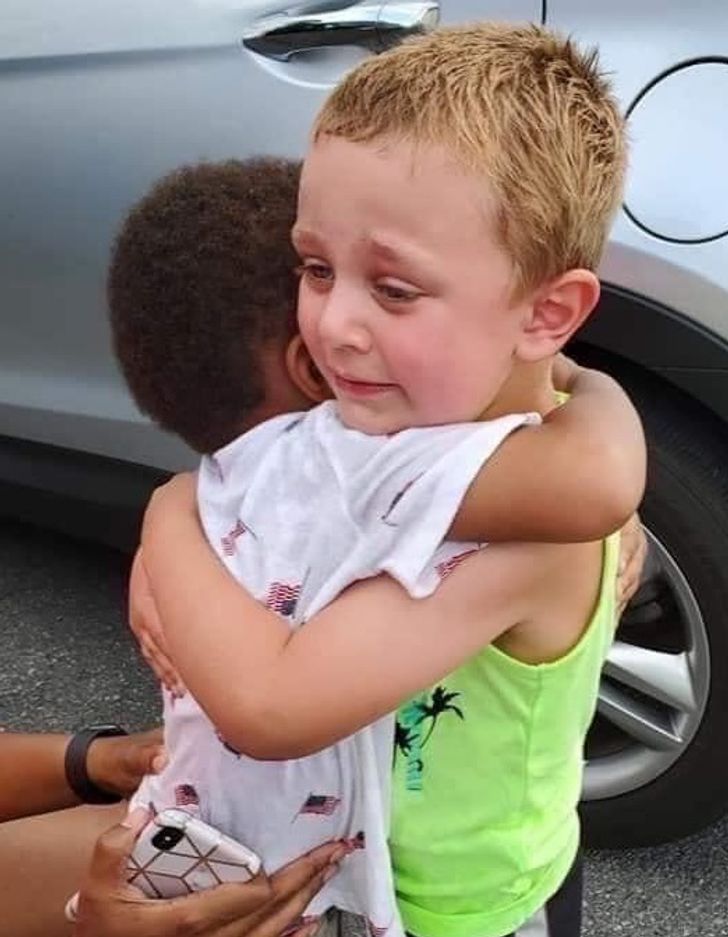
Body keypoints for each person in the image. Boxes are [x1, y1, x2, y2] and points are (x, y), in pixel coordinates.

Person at [112, 22, 640, 935]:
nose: (332, 325)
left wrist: (168, 517)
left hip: (460, 914)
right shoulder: (390, 432)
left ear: (548, 312)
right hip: (346, 881)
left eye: (394, 290)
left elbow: (271, 705)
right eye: (317, 269)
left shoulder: (536, 527)